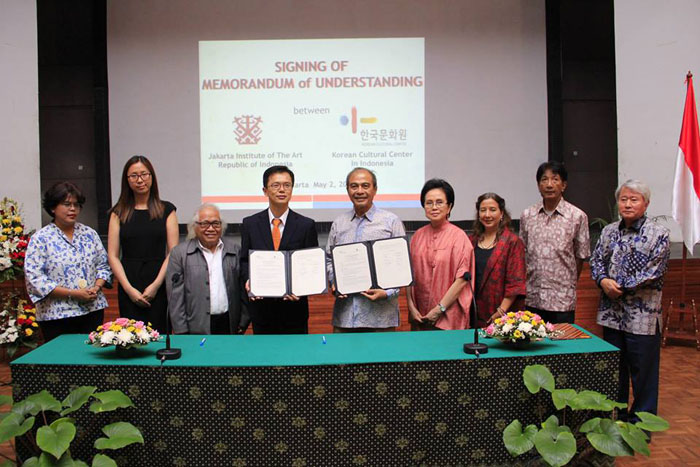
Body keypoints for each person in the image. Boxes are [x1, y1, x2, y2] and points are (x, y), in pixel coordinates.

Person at [590, 179, 670, 422]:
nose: (627, 204)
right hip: (612, 316)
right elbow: (596, 261)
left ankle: (642, 423)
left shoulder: (659, 234)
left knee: (643, 372)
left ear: (645, 203)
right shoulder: (608, 231)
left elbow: (654, 271)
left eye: (633, 199)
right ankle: (618, 417)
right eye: (623, 199)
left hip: (642, 317)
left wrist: (619, 287)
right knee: (616, 370)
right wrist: (603, 280)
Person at [24, 182, 112, 341]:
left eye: (76, 205)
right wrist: (74, 294)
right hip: (56, 314)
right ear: (52, 208)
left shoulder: (89, 234)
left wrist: (97, 287)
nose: (73, 209)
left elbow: (103, 266)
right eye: (66, 204)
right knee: (61, 362)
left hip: (92, 310)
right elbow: (35, 278)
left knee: (91, 360)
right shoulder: (41, 238)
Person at [240, 166, 318, 334]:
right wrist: (248, 281)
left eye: (287, 185)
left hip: (294, 308)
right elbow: (245, 260)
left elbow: (312, 265)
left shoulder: (306, 225)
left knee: (296, 358)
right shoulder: (250, 224)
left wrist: (302, 288)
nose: (282, 190)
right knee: (265, 356)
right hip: (261, 308)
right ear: (265, 190)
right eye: (276, 185)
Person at [326, 167, 406, 332]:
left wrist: (388, 292)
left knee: (381, 359)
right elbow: (329, 260)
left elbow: (402, 265)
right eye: (354, 186)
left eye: (365, 185)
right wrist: (335, 282)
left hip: (380, 317)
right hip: (345, 318)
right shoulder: (339, 223)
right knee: (343, 358)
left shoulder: (391, 222)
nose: (359, 191)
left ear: (375, 189)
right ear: (347, 190)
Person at [107, 155, 178, 333]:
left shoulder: (166, 209)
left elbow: (173, 252)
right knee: (130, 336)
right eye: (134, 176)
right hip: (128, 279)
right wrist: (128, 289)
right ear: (127, 180)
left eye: (144, 174)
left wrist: (155, 285)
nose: (140, 180)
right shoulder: (118, 212)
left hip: (159, 278)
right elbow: (113, 255)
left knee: (159, 333)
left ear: (152, 177)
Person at [519, 161, 589, 324]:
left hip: (562, 300)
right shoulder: (527, 215)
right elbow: (523, 252)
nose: (549, 184)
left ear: (563, 185)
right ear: (538, 185)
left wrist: (567, 284)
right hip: (533, 297)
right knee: (534, 345)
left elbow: (580, 257)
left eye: (555, 179)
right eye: (544, 179)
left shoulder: (577, 216)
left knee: (562, 346)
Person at [166, 204, 249, 335]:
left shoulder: (235, 250)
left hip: (229, 323)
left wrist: (243, 322)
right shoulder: (180, 254)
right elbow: (175, 298)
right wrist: (181, 331)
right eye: (204, 224)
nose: (211, 229)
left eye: (216, 223)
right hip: (195, 327)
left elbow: (243, 290)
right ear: (195, 226)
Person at [407, 179, 474, 330]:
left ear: (449, 206)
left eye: (439, 202)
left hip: (448, 316)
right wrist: (411, 308)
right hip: (420, 317)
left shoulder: (459, 236)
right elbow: (408, 276)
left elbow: (462, 279)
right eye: (429, 203)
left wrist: (439, 310)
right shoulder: (417, 236)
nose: (434, 207)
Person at [468, 193, 526, 328]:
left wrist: (501, 311)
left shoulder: (512, 242)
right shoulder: (471, 241)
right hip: (473, 313)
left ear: (501, 214)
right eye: (483, 210)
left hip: (502, 315)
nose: (487, 215)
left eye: (492, 210)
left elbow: (516, 283)